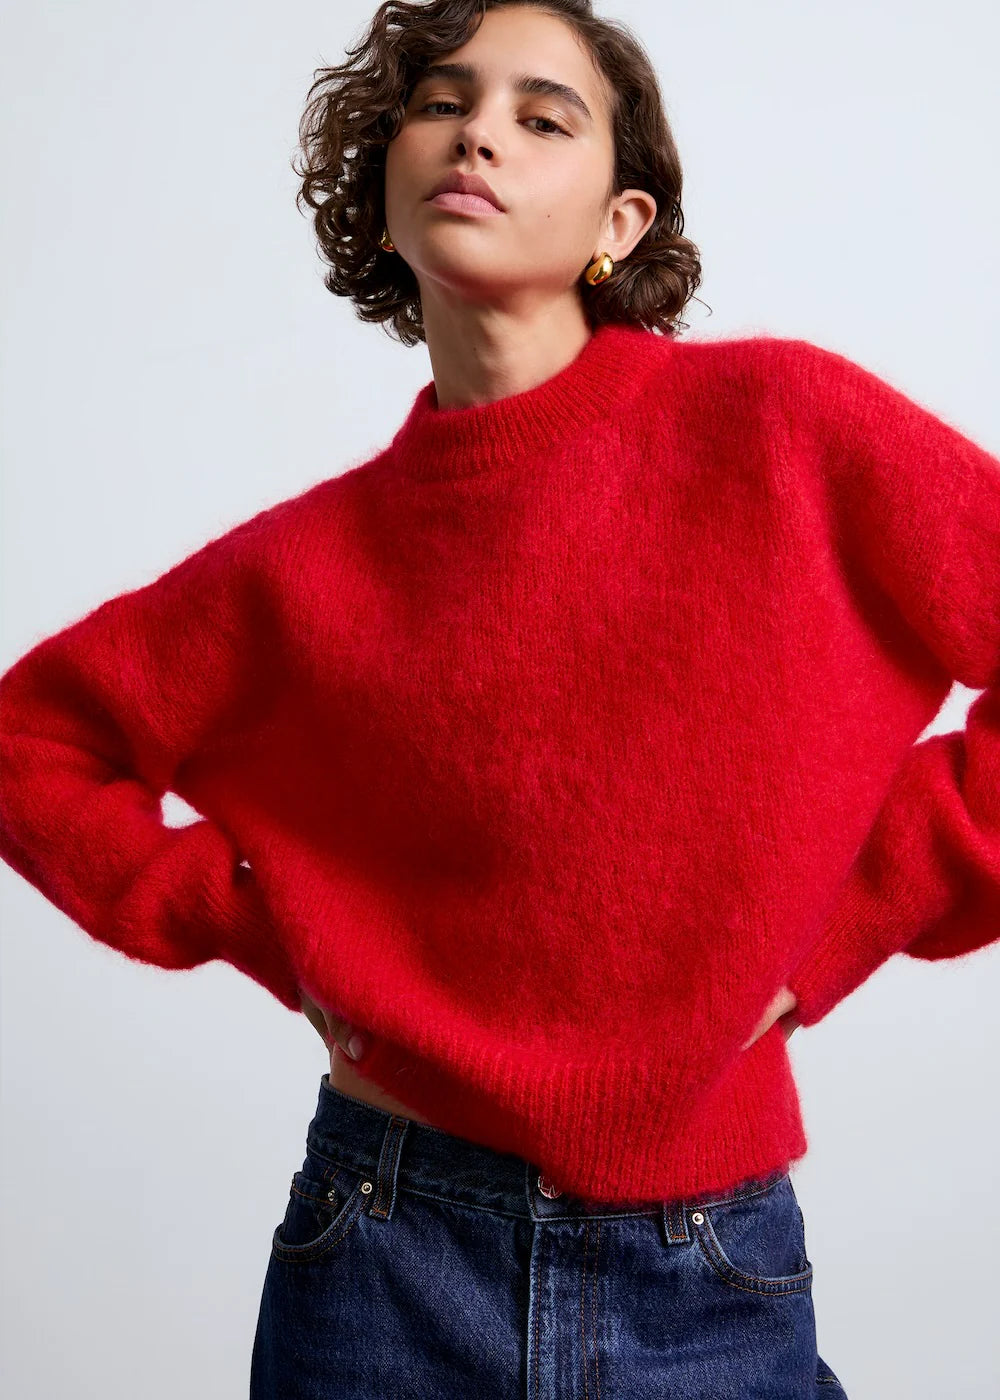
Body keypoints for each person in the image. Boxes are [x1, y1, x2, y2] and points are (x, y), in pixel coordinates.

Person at [4, 1, 999, 1395]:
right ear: (386, 190)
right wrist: (258, 930)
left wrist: (860, 910)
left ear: (621, 222)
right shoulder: (304, 568)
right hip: (383, 1253)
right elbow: (33, 742)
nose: (478, 134)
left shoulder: (785, 428)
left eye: (543, 118)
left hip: (701, 1264)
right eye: (442, 104)